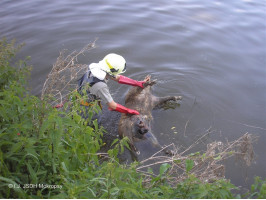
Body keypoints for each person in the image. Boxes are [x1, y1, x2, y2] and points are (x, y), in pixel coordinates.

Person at [78, 53, 149, 116]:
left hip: (80, 97)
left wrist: (137, 83)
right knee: (93, 123)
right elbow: (112, 105)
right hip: (86, 109)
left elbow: (117, 78)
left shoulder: (95, 68)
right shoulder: (100, 85)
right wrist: (129, 111)